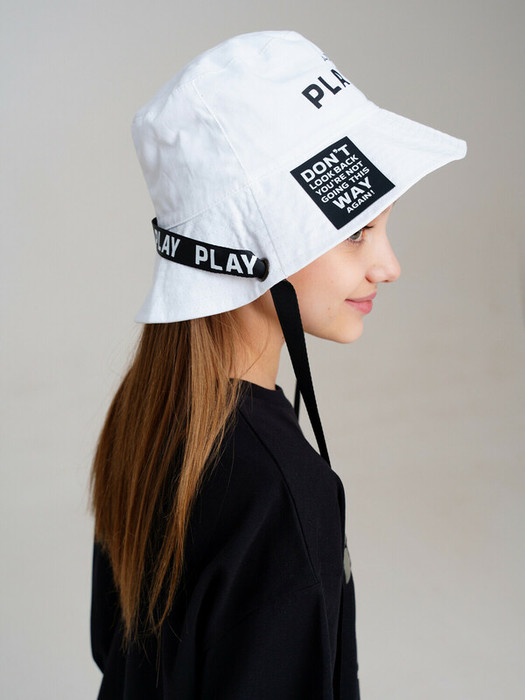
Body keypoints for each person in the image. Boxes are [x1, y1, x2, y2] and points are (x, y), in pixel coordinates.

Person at [90, 30, 466, 699]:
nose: (388, 265)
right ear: (248, 248)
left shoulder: (146, 416)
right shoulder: (281, 492)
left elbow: (115, 655)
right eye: (355, 232)